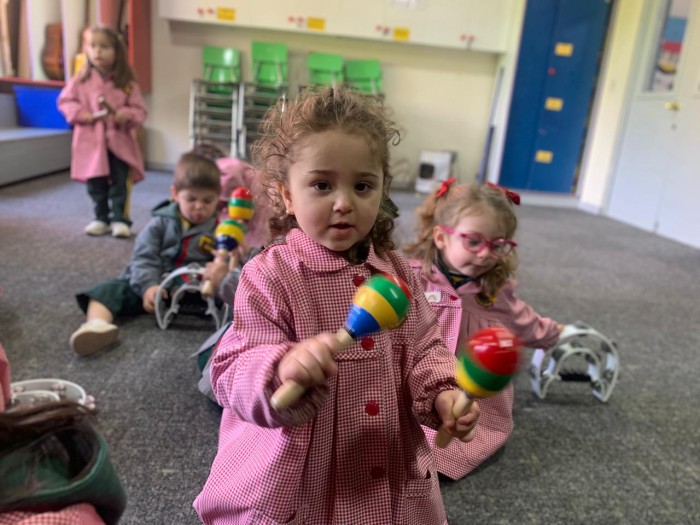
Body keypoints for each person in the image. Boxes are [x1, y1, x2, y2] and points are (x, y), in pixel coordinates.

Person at [193, 87, 480, 525]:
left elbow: (425, 347)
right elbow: (232, 367)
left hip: (385, 460)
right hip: (303, 471)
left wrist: (442, 393)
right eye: (322, 185)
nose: (344, 202)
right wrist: (281, 368)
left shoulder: (397, 274)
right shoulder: (270, 275)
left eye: (362, 186)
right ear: (287, 195)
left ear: (382, 189)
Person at [404, 179, 564, 480]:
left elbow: (525, 323)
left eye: (497, 245)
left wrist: (554, 333)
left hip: (475, 399)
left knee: (459, 435)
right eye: (474, 241)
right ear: (441, 237)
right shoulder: (413, 278)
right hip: (421, 385)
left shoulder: (494, 291)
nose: (484, 254)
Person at [68, 151, 226, 356]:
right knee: (109, 290)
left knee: (243, 300)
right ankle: (96, 325)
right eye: (191, 199)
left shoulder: (222, 228)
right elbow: (144, 257)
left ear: (218, 198)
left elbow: (231, 264)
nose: (199, 207)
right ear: (175, 194)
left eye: (208, 201)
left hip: (203, 292)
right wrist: (148, 285)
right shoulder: (159, 223)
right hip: (160, 288)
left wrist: (226, 266)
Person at [57, 25, 147, 238]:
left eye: (104, 47)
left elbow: (140, 110)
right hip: (91, 143)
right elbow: (65, 102)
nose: (97, 51)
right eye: (92, 46)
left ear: (117, 51)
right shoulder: (80, 80)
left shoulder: (127, 84)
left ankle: (120, 219)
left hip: (119, 143)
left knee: (120, 182)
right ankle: (101, 217)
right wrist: (83, 114)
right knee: (95, 183)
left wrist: (127, 114)